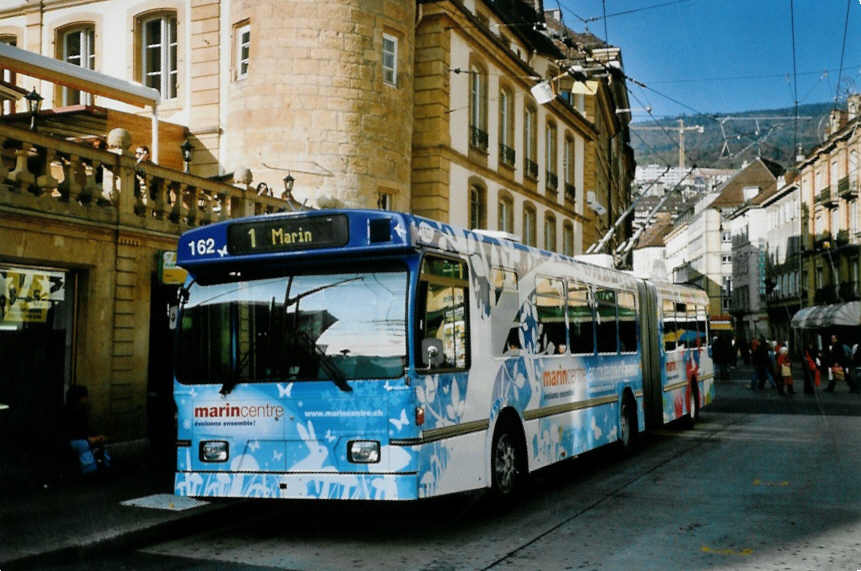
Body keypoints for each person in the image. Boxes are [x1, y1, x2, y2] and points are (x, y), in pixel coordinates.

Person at [61, 385, 110, 475]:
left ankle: (104, 467)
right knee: (84, 445)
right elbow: (70, 432)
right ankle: (90, 470)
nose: (86, 399)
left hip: (81, 438)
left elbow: (86, 428)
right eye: (84, 397)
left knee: (99, 444)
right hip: (71, 441)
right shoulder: (67, 412)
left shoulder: (82, 410)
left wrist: (96, 437)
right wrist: (88, 439)